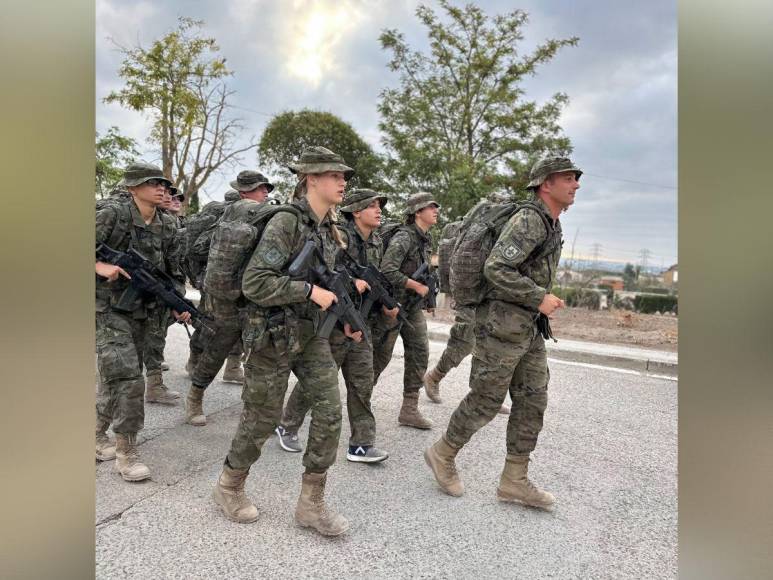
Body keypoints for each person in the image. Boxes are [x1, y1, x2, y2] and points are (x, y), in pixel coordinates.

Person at [213, 146, 358, 536]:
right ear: (311, 179)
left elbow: (328, 282)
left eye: (344, 176)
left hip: (312, 335)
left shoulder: (329, 227)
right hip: (272, 335)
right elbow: (255, 282)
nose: (343, 181)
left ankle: (311, 505)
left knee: (329, 412)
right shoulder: (285, 222)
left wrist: (342, 316)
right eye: (334, 175)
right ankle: (229, 485)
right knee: (261, 418)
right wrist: (308, 291)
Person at [424, 156, 581, 508]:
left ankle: (514, 480)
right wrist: (538, 296)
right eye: (568, 178)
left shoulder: (551, 224)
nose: (576, 184)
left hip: (527, 328)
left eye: (576, 178)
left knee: (533, 399)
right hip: (501, 326)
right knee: (486, 400)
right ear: (546, 184)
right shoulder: (529, 220)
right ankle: (442, 453)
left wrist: (537, 303)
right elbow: (497, 268)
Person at [276, 189, 394, 464]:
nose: (378, 211)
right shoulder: (337, 236)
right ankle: (287, 424)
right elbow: (321, 271)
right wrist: (351, 281)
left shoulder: (376, 241)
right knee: (317, 381)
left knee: (363, 381)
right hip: (332, 319)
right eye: (372, 206)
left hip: (357, 320)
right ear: (356, 211)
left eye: (379, 206)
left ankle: (362, 444)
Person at [95, 162, 190, 481]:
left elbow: (168, 271)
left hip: (141, 311)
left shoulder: (166, 223)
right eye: (152, 183)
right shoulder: (112, 213)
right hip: (105, 308)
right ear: (132, 187)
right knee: (129, 378)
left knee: (116, 376)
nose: (162, 188)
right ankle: (127, 452)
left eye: (163, 183)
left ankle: (95, 435)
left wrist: (176, 302)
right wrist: (98, 265)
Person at [185, 171, 274, 426]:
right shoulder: (226, 216)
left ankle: (254, 410)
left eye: (266, 188)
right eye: (260, 189)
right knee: (217, 349)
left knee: (258, 351)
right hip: (227, 297)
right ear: (244, 192)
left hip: (255, 295)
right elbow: (198, 248)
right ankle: (195, 397)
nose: (265, 193)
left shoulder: (269, 217)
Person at [371, 192, 438, 430]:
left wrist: (428, 296)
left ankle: (409, 409)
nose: (435, 210)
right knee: (379, 357)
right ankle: (358, 401)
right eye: (431, 207)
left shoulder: (425, 239)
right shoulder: (404, 237)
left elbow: (426, 271)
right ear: (417, 212)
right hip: (391, 306)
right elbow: (387, 269)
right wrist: (414, 285)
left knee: (420, 352)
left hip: (412, 308)